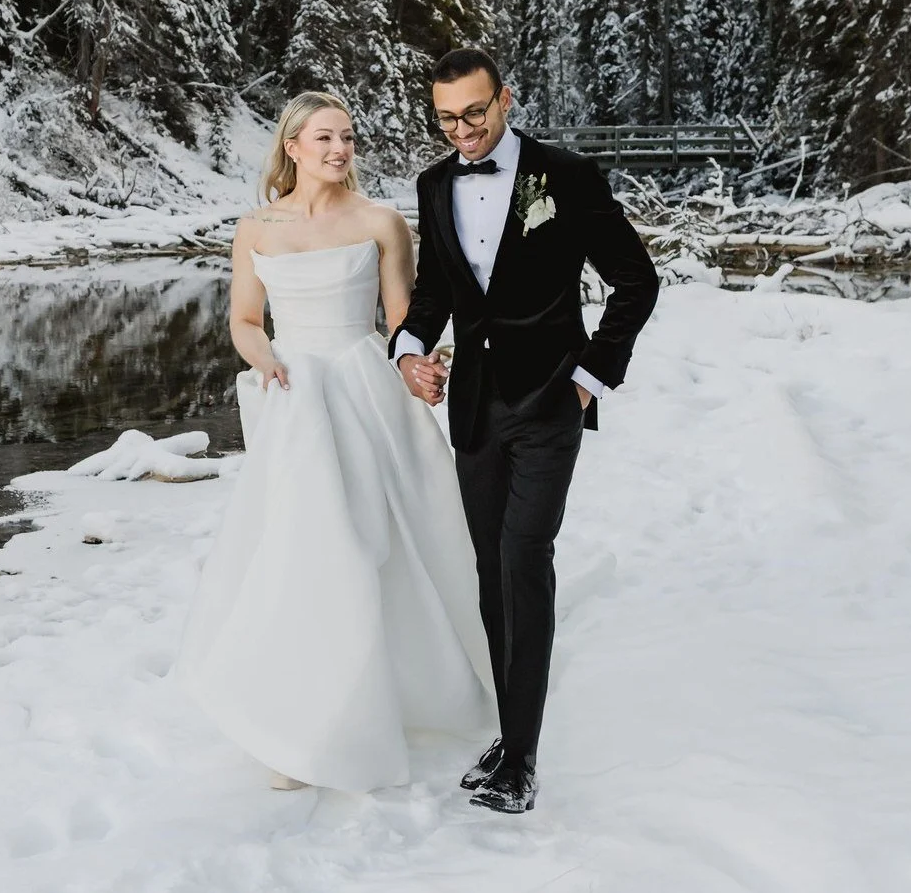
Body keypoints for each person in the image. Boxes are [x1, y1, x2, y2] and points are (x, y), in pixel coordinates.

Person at [176, 90, 496, 792]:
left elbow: (404, 321)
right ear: (292, 147)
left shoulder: (380, 221)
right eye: (323, 138)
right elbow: (245, 320)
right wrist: (264, 360)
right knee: (308, 549)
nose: (338, 150)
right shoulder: (255, 228)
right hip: (296, 395)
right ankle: (303, 723)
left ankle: (390, 699)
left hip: (362, 387)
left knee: (380, 543)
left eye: (347, 137)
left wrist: (421, 366)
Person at [391, 47, 659, 813]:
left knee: (522, 559)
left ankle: (522, 761)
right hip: (472, 405)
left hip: (548, 402)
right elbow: (436, 289)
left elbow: (635, 281)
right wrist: (407, 350)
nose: (463, 131)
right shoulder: (433, 184)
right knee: (487, 568)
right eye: (446, 118)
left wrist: (590, 376)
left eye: (474, 112)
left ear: (504, 98)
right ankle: (509, 732)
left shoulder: (565, 176)